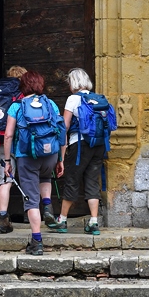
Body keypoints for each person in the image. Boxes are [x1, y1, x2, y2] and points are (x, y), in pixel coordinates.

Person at [2, 70, 65, 255]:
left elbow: (8, 135)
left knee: (30, 201)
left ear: (23, 86)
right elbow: (61, 133)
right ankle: (47, 205)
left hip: (27, 156)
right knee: (45, 178)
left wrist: (8, 161)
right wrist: (60, 159)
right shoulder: (50, 104)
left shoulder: (17, 106)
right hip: (50, 154)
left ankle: (36, 242)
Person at [46, 68, 108, 235]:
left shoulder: (73, 99)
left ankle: (62, 220)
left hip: (79, 145)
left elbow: (64, 127)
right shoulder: (98, 98)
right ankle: (94, 222)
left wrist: (61, 150)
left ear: (72, 82)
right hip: (99, 145)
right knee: (92, 181)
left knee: (72, 179)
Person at [0, 65, 27, 234]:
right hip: (22, 142)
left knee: (5, 181)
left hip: (1, 142)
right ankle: (29, 215)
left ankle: (3, 218)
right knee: (28, 179)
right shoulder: (23, 93)